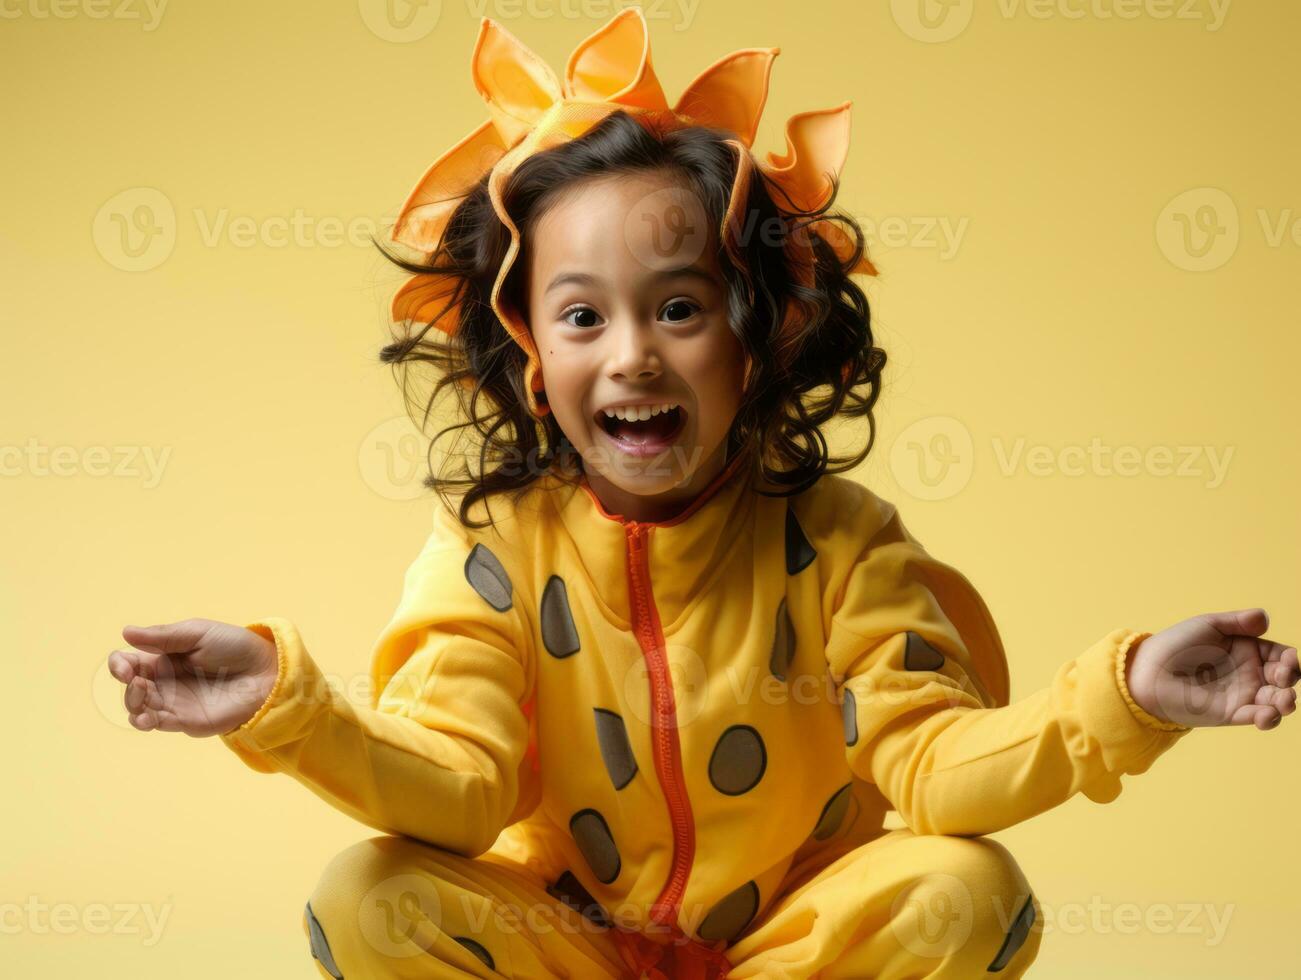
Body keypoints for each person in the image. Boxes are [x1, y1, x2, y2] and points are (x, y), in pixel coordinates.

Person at [106, 9, 1299, 979]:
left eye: (676, 307)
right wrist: (285, 702)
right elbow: (458, 791)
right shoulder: (495, 544)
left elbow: (936, 771)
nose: (629, 353)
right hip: (562, 945)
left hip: (788, 946)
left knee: (966, 888)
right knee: (369, 895)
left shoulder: (839, 541)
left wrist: (1130, 693)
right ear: (528, 353)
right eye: (582, 315)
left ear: (757, 333)